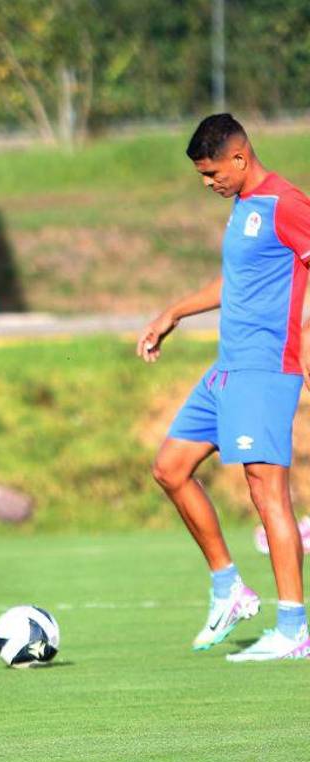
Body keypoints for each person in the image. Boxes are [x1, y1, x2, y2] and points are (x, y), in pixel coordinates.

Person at [139, 113, 310, 661]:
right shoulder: (242, 208)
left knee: (266, 492)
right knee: (169, 467)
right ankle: (228, 588)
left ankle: (293, 628)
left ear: (240, 157)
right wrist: (174, 312)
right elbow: (235, 280)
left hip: (264, 370)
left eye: (212, 172)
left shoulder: (287, 203)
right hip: (226, 370)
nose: (207, 182)